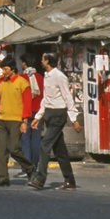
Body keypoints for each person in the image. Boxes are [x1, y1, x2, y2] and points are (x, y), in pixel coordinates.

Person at [30, 52, 79, 190]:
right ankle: (70, 181)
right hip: (49, 114)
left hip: (58, 115)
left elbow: (67, 97)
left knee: (44, 145)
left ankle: (40, 179)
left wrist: (74, 119)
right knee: (59, 150)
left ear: (47, 61)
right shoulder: (47, 76)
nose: (41, 61)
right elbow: (46, 99)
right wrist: (38, 117)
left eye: (42, 59)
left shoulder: (59, 77)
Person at [0, 61, 34, 187]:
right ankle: (3, 178)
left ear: (12, 69)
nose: (3, 71)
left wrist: (25, 121)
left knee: (14, 149)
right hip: (1, 120)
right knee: (0, 151)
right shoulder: (2, 83)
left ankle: (30, 169)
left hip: (16, 120)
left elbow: (27, 104)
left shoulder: (22, 83)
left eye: (5, 69)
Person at [19, 57, 44, 177]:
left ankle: (26, 167)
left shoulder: (22, 78)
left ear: (25, 63)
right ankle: (34, 165)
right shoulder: (40, 77)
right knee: (35, 140)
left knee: (25, 139)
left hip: (26, 112)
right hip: (39, 112)